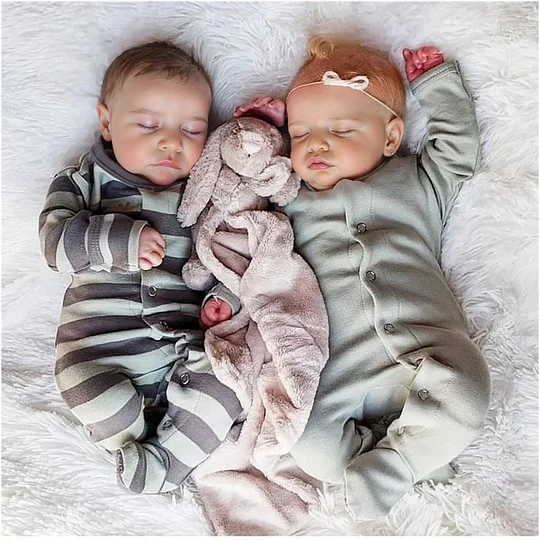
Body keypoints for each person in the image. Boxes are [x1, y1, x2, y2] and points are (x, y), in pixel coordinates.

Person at [234, 35, 491, 520]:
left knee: (469, 386)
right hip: (341, 371)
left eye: (340, 130)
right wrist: (259, 137)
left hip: (427, 350)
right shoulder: (291, 200)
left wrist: (435, 87)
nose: (317, 144)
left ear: (391, 138)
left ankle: (401, 461)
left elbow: (458, 152)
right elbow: (243, 199)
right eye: (301, 134)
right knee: (310, 447)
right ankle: (415, 453)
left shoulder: (416, 181)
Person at [38, 40, 242, 495]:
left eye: (192, 130)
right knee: (84, 388)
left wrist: (223, 298)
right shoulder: (84, 181)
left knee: (229, 383)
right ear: (107, 123)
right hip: (97, 351)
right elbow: (54, 245)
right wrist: (121, 240)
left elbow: (229, 253)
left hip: (180, 354)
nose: (171, 142)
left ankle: (167, 463)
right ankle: (131, 440)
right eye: (148, 124)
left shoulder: (202, 194)